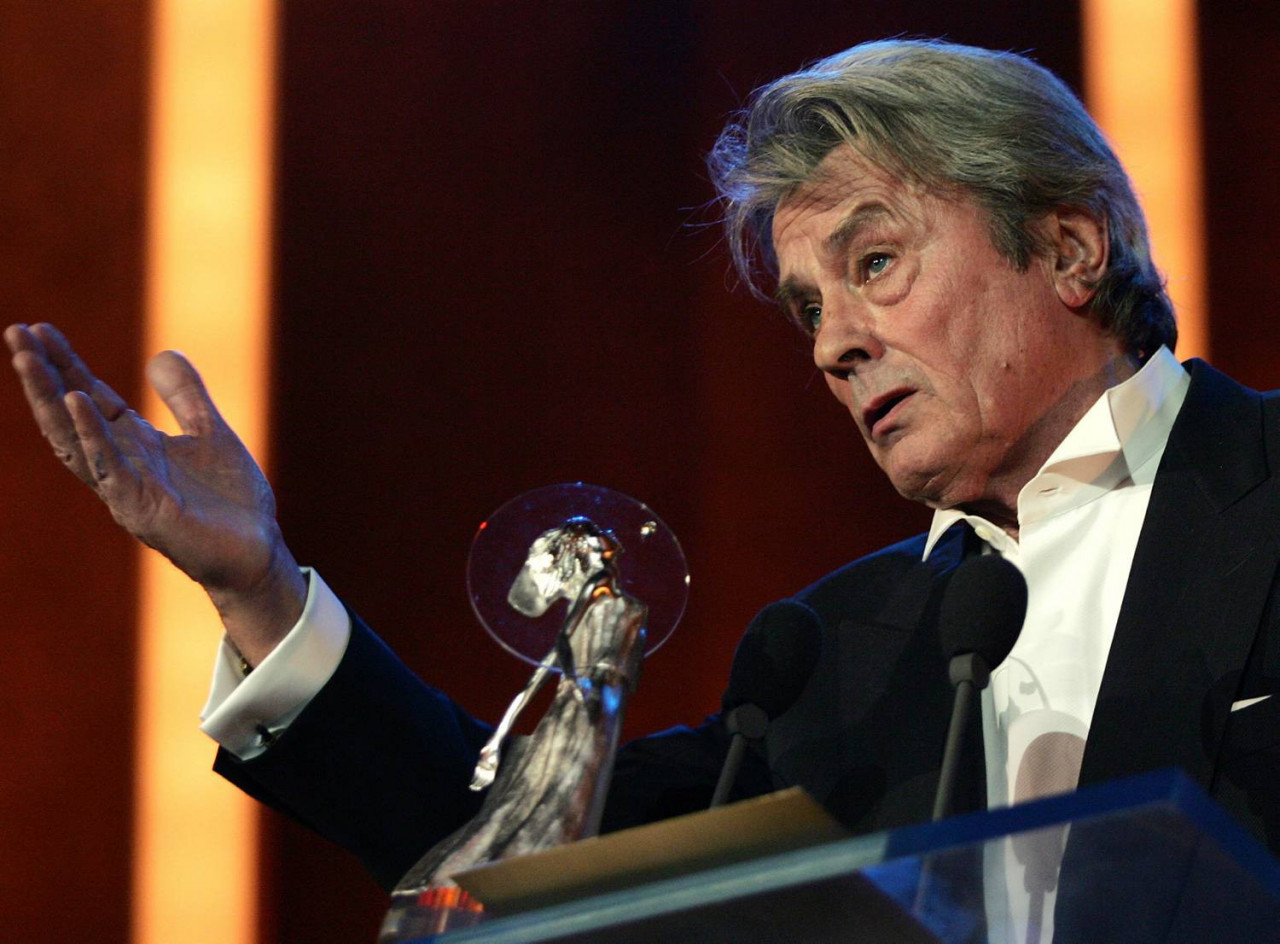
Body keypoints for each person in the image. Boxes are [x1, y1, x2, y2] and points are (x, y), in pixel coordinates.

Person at [8, 37, 1280, 932]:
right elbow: (519, 847)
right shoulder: (832, 653)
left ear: (1066, 245)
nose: (832, 344)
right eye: (807, 308)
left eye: (875, 263)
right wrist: (260, 589)